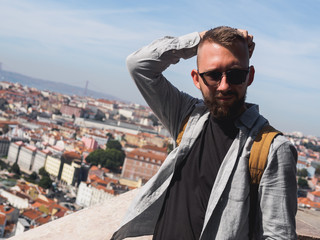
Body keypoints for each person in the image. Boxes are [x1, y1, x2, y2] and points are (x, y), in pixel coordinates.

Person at [112, 26, 297, 240]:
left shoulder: (272, 149)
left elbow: (279, 236)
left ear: (250, 76)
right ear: (196, 78)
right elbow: (138, 65)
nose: (224, 86)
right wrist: (200, 40)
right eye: (213, 75)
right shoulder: (187, 117)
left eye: (236, 75)